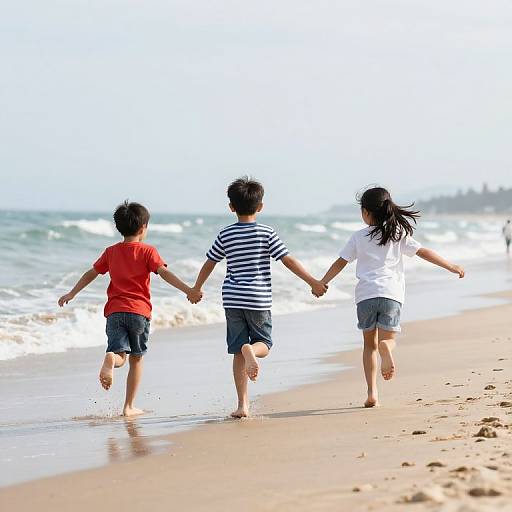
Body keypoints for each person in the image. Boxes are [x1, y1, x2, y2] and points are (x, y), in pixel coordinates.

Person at [190, 177, 327, 418]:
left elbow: (210, 262)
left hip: (232, 299)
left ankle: (242, 405)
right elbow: (287, 260)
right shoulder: (266, 232)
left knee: (237, 352)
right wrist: (313, 281)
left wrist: (196, 288)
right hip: (257, 299)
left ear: (231, 207)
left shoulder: (226, 234)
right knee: (265, 344)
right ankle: (252, 351)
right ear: (260, 206)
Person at [320, 187, 465, 408]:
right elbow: (423, 252)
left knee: (369, 346)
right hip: (391, 295)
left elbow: (341, 262)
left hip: (366, 296)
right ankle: (387, 347)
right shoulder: (397, 234)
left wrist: (323, 281)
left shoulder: (358, 237)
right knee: (387, 340)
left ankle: (372, 392)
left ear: (366, 213)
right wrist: (450, 265)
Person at [58, 201, 201, 416]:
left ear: (119, 228)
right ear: (143, 228)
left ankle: (111, 359)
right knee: (136, 359)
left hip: (115, 312)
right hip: (139, 313)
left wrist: (72, 293)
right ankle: (129, 406)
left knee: (120, 356)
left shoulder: (111, 252)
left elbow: (91, 273)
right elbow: (164, 273)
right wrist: (188, 290)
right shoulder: (148, 251)